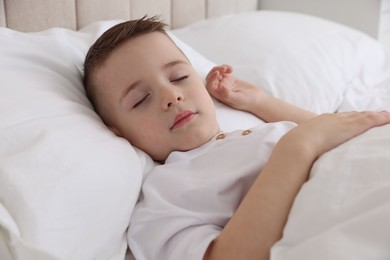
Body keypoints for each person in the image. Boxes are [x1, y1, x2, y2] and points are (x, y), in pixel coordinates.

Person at [83, 16, 390, 260]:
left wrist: (259, 101)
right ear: (117, 130)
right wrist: (297, 147)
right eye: (140, 99)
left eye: (179, 77)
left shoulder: (250, 130)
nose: (171, 96)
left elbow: (333, 131)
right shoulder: (163, 195)